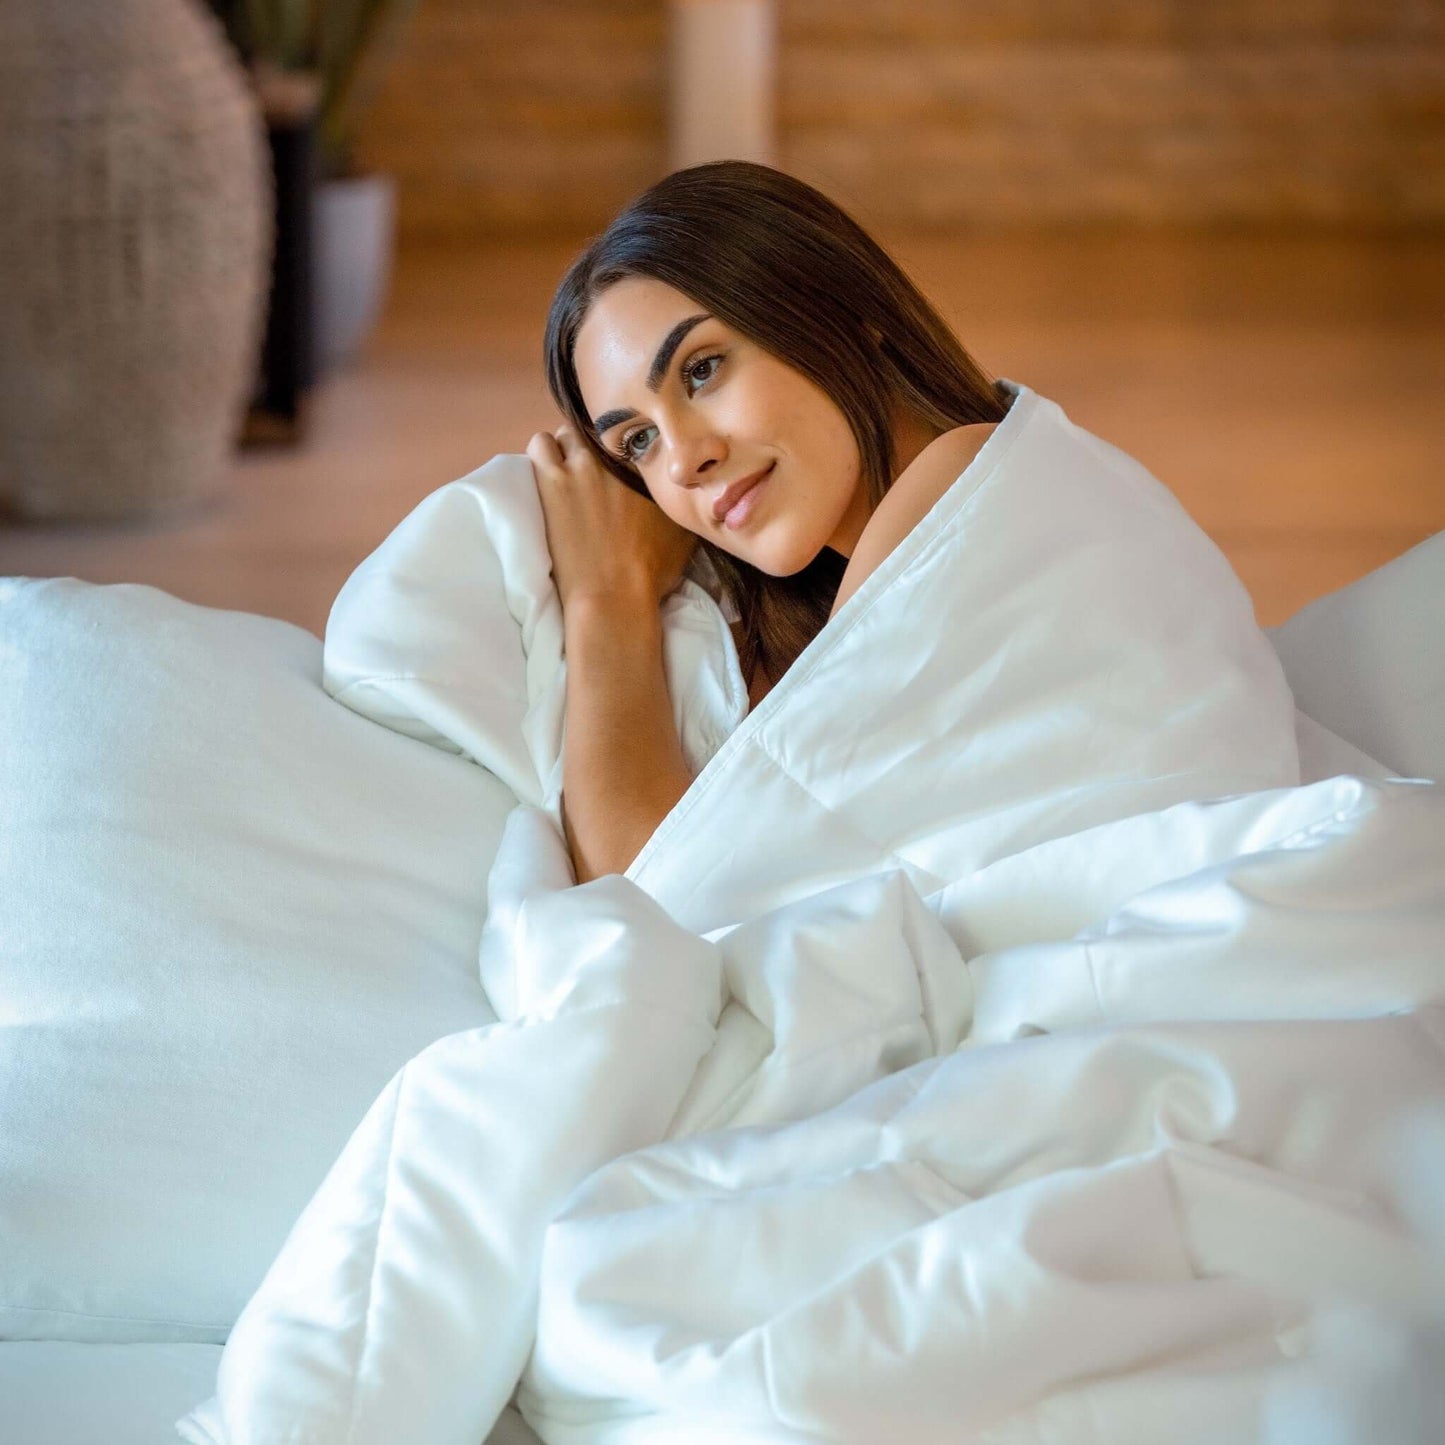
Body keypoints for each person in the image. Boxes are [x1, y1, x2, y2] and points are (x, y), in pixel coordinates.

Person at [528, 160, 1011, 884]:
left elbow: (675, 900)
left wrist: (606, 600)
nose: (683, 460)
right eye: (638, 441)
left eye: (701, 369)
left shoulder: (960, 491)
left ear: (841, 308)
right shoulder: (863, 574)